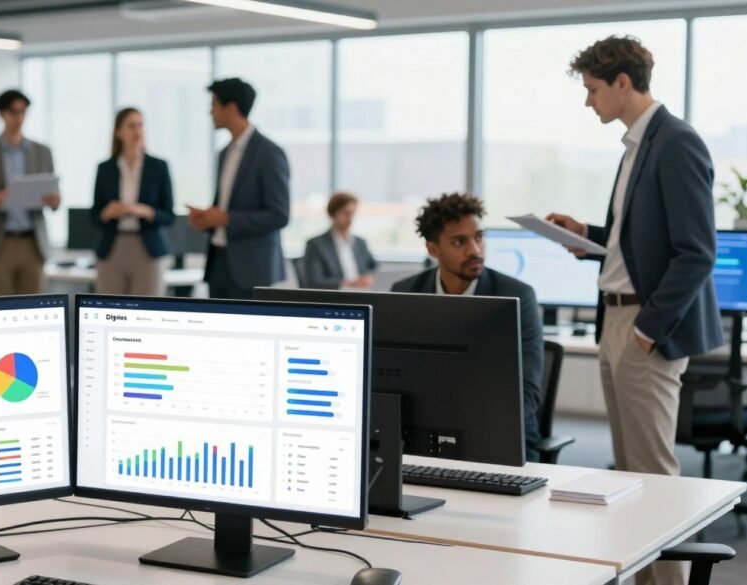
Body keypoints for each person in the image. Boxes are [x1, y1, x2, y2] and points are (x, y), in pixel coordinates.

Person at [548, 36, 721, 585]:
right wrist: (591, 237)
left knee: (654, 478)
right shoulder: (636, 147)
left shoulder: (676, 142)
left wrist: (647, 331)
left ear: (623, 82)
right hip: (617, 317)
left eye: (593, 90)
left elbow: (697, 252)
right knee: (629, 476)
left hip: (644, 325)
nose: (588, 102)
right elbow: (642, 242)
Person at [392, 193, 543, 462]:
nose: (475, 250)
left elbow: (527, 395)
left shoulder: (517, 297)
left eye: (479, 237)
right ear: (433, 249)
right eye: (459, 241)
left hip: (500, 439)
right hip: (421, 440)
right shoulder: (406, 294)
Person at [189, 77, 290, 300]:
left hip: (252, 268)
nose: (210, 112)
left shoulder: (269, 153)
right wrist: (207, 218)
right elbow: (225, 206)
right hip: (218, 263)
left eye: (213, 105)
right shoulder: (224, 153)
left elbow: (279, 216)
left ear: (231, 107)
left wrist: (226, 219)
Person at [0, 89, 60, 296]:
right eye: (13, 112)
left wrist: (54, 200)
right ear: (1, 114)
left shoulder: (43, 152)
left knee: (36, 311)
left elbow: (53, 198)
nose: (19, 118)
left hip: (32, 244)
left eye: (23, 112)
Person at [91, 108, 175, 296]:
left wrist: (145, 211)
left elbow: (169, 215)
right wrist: (107, 213)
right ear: (118, 132)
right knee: (108, 311)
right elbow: (94, 216)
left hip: (148, 249)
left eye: (140, 125)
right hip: (113, 247)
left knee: (147, 313)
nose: (137, 131)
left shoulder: (158, 167)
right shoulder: (105, 169)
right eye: (131, 126)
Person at [302, 191, 378, 289]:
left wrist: (368, 278)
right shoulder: (316, 245)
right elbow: (314, 282)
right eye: (346, 213)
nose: (350, 219)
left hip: (362, 294)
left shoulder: (360, 242)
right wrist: (348, 284)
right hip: (335, 297)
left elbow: (373, 267)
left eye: (352, 213)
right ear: (333, 214)